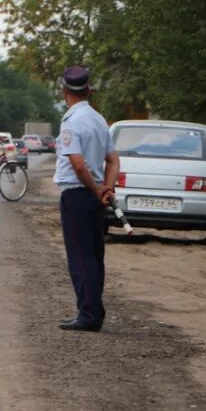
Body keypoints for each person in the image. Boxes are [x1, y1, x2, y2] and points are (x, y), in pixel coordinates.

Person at [54, 66, 120, 332]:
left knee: (80, 258)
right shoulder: (98, 119)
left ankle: (88, 315)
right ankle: (95, 310)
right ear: (89, 90)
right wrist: (107, 189)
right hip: (95, 196)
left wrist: (96, 189)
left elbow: (79, 166)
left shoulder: (71, 122)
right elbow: (114, 161)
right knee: (94, 255)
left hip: (78, 193)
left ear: (64, 91)